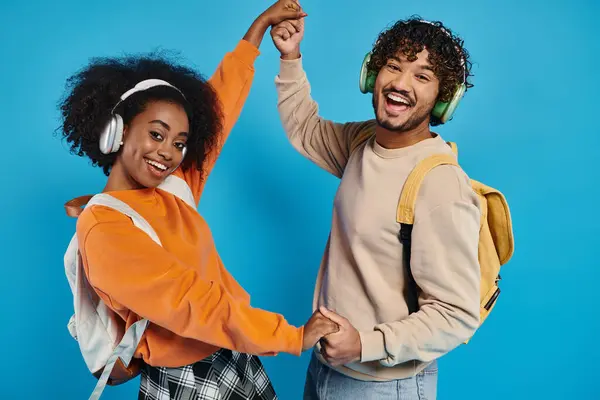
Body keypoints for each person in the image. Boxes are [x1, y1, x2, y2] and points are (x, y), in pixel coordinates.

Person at [58, 2, 337, 399]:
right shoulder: (105, 229)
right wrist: (290, 336)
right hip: (186, 378)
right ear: (117, 130)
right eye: (156, 134)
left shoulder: (174, 187)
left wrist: (255, 34)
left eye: (179, 143)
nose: (167, 153)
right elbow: (189, 301)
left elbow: (218, 108)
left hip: (234, 350)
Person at [270, 15, 482, 399]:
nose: (400, 83)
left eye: (422, 76)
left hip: (384, 386)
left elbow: (456, 314)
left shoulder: (439, 183)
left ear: (444, 98)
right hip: (326, 366)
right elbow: (305, 129)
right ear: (373, 72)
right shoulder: (364, 141)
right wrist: (290, 57)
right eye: (394, 66)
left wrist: (365, 345)